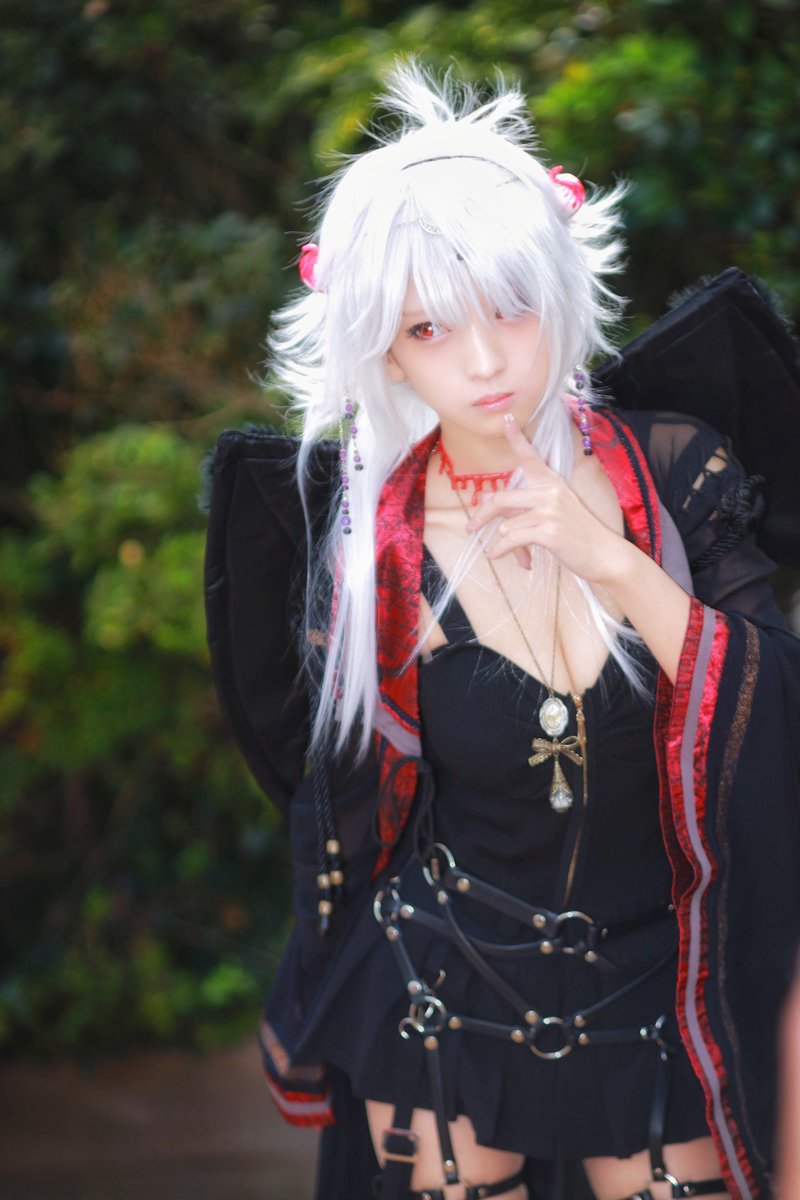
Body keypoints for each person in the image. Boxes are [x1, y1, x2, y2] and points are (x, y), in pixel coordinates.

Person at [203, 64, 800, 1200]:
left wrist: (610, 562)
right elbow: (341, 802)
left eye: (510, 308)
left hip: (663, 987)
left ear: (560, 293)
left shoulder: (674, 469)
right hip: (443, 983)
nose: (483, 362)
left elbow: (776, 711)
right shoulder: (364, 550)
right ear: (384, 348)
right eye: (430, 327)